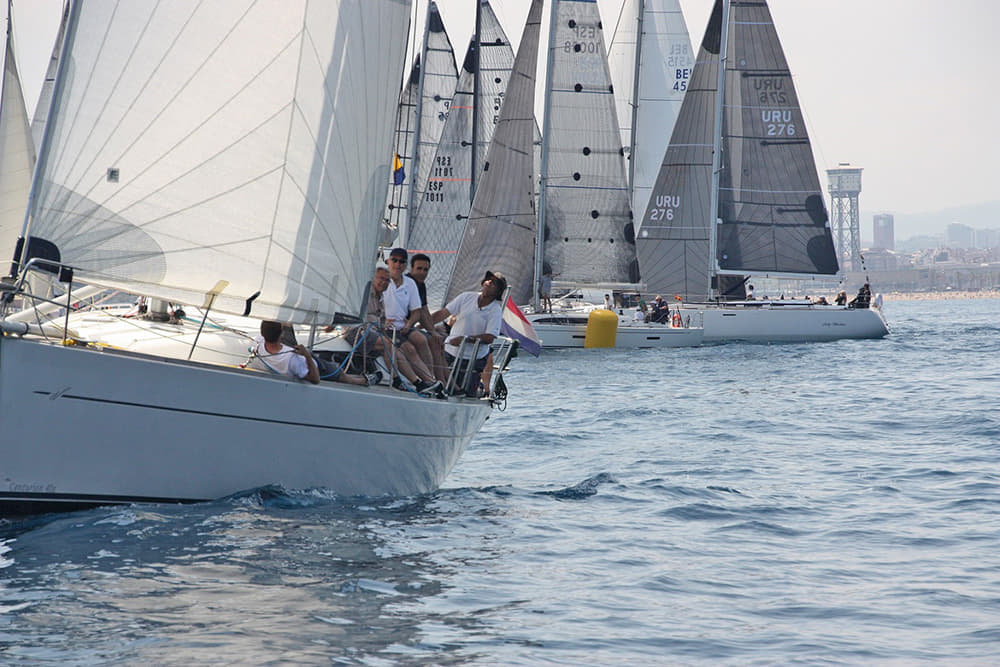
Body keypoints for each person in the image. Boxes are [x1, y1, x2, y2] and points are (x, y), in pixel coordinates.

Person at [432, 271, 505, 397]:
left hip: (473, 358)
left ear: (498, 291)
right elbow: (443, 313)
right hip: (450, 352)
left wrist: (465, 339)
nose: (488, 283)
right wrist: (420, 325)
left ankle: (479, 390)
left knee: (467, 393)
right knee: (441, 387)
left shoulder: (495, 310)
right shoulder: (466, 297)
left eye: (493, 283)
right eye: (488, 280)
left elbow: (490, 337)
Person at [384, 247, 438, 383]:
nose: (398, 264)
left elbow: (417, 311)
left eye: (402, 262)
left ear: (405, 265)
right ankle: (424, 380)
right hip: (386, 327)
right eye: (394, 260)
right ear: (388, 261)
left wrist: (409, 324)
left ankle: (431, 377)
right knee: (410, 349)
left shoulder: (410, 283)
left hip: (403, 326)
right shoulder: (382, 279)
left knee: (422, 339)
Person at [406, 252, 448, 382]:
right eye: (419, 268)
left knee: (438, 342)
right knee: (431, 341)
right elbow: (420, 313)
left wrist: (433, 331)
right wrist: (432, 332)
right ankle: (434, 380)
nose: (422, 272)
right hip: (404, 327)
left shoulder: (421, 285)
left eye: (425, 270)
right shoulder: (408, 283)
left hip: (410, 327)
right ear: (411, 268)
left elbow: (424, 310)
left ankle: (447, 383)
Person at [247, 320, 320, 384]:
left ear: (262, 333)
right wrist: (307, 355)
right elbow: (315, 379)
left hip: (283, 350)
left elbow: (269, 331)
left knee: (287, 326)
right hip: (315, 367)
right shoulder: (292, 357)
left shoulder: (258, 342)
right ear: (281, 333)